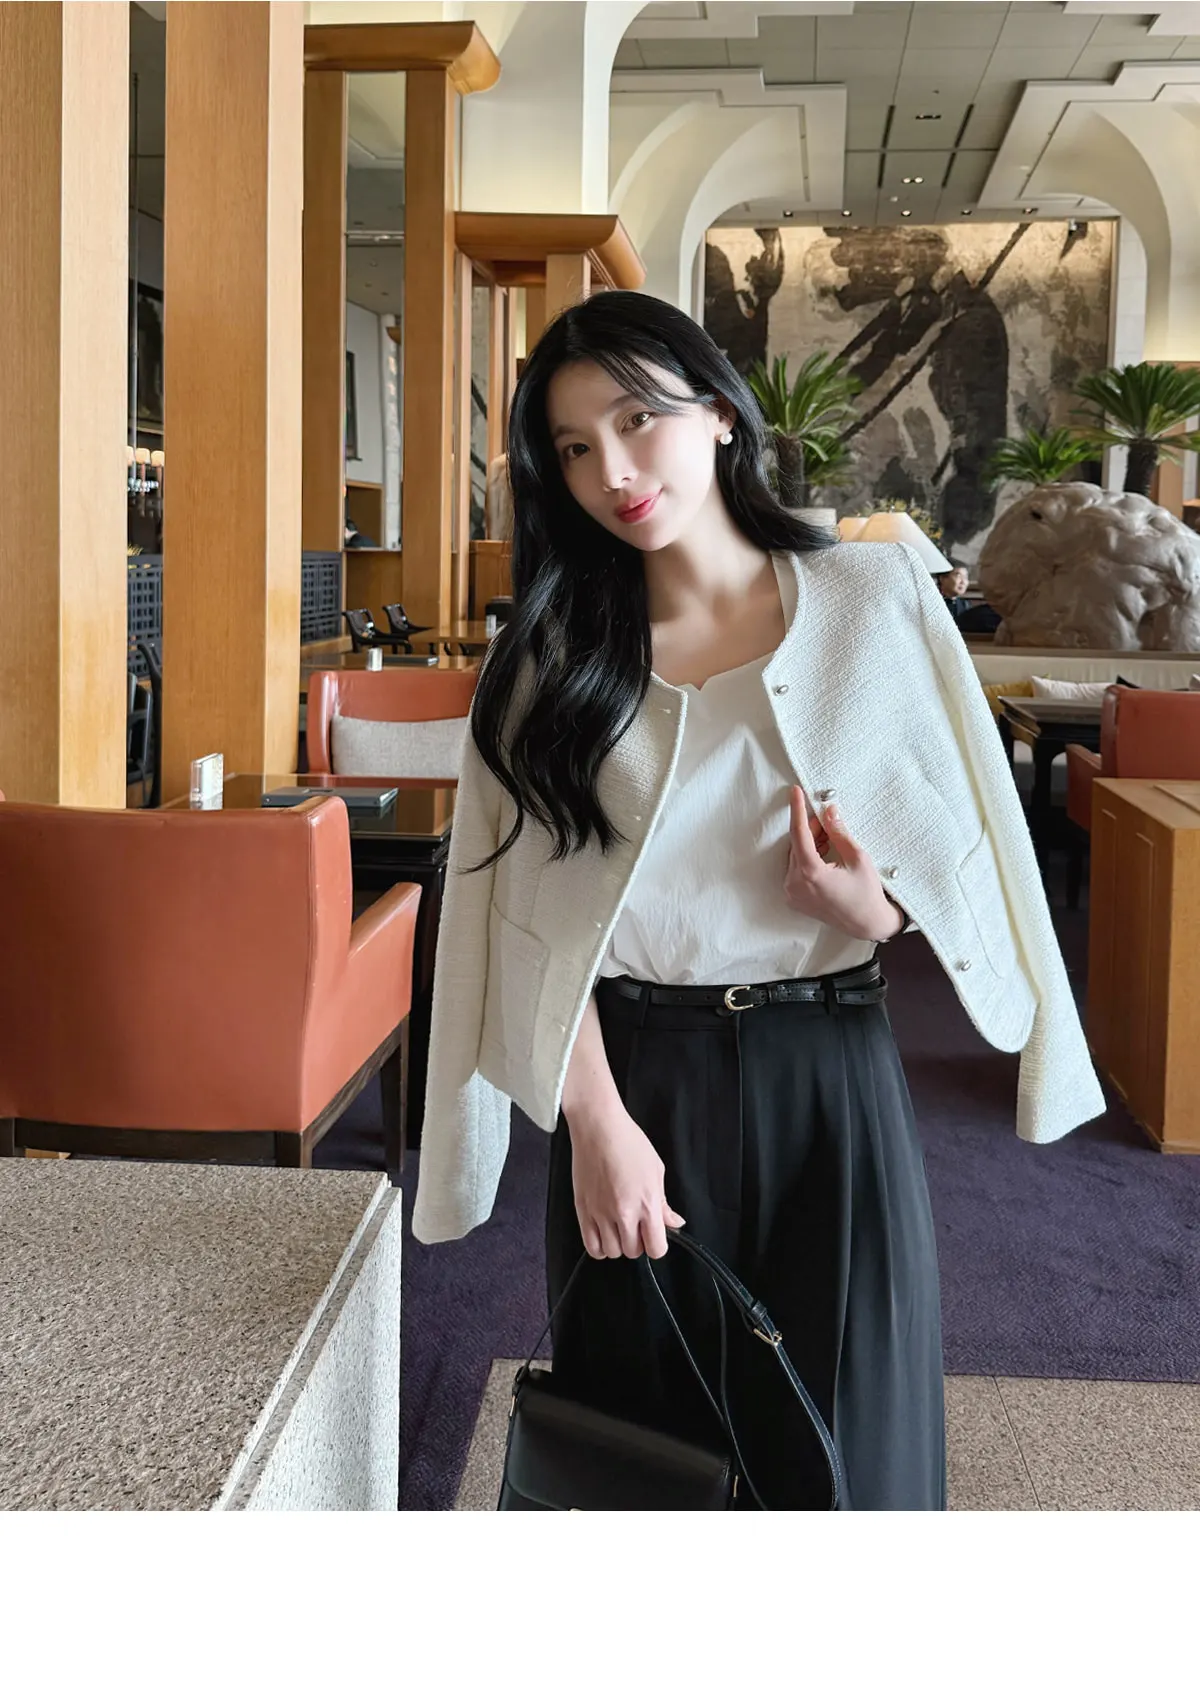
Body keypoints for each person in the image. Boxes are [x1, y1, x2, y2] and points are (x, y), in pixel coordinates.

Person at [411, 290, 1105, 1511]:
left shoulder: (872, 600)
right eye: (574, 447)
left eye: (639, 419)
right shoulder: (551, 657)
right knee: (647, 1456)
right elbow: (525, 920)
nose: (614, 471)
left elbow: (962, 832)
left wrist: (873, 909)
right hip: (637, 1082)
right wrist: (594, 1129)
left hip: (828, 1074)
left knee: (852, 1445)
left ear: (721, 414)